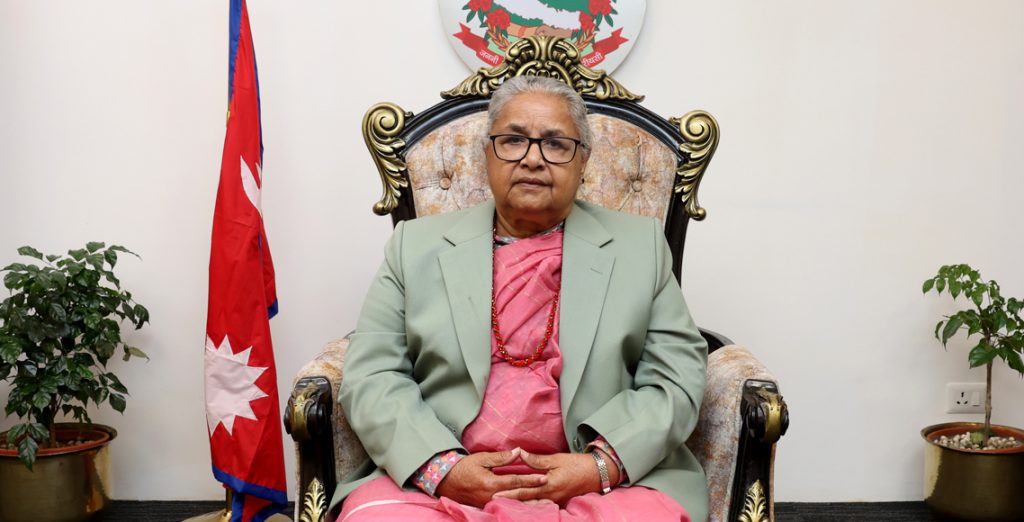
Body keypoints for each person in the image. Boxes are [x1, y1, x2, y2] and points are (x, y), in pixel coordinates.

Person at [331, 75, 709, 522]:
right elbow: (372, 374)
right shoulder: (414, 247)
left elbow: (676, 379)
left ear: (583, 162)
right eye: (513, 140)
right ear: (486, 154)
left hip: (601, 480)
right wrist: (442, 469)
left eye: (555, 144)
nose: (532, 159)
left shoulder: (639, 248)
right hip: (444, 477)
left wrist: (598, 466)